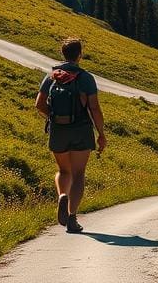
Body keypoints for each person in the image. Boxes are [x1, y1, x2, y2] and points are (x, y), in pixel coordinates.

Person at [35, 37, 106, 233]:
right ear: (79, 55)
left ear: (63, 54)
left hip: (58, 131)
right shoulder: (85, 78)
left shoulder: (51, 77)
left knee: (63, 171)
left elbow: (39, 105)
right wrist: (101, 133)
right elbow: (95, 108)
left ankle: (61, 196)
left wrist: (55, 118)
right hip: (81, 130)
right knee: (78, 173)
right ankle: (72, 218)